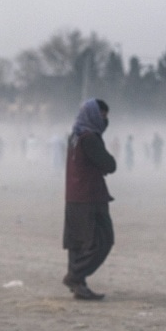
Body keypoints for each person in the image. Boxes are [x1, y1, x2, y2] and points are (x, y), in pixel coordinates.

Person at [62, 98, 117, 301]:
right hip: (89, 196)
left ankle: (79, 283)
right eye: (103, 116)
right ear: (94, 115)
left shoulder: (74, 136)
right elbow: (109, 164)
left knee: (78, 242)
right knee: (102, 240)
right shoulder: (89, 138)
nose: (105, 120)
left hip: (74, 195)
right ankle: (75, 277)